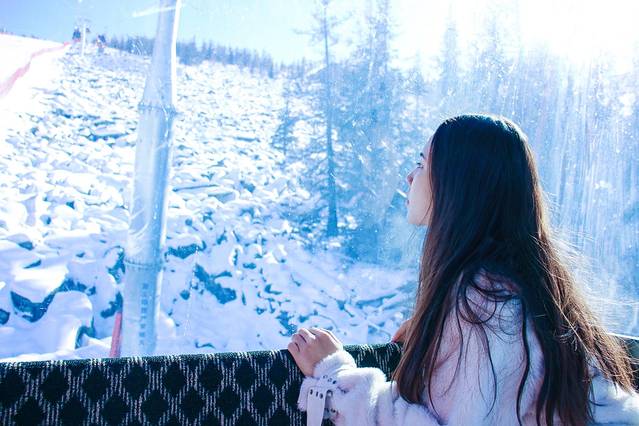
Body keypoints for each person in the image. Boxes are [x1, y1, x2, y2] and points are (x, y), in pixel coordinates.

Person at [288, 115, 639, 425]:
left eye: (422, 163)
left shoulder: (482, 309)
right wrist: (436, 340)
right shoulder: (528, 291)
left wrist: (335, 376)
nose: (410, 177)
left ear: (456, 184)